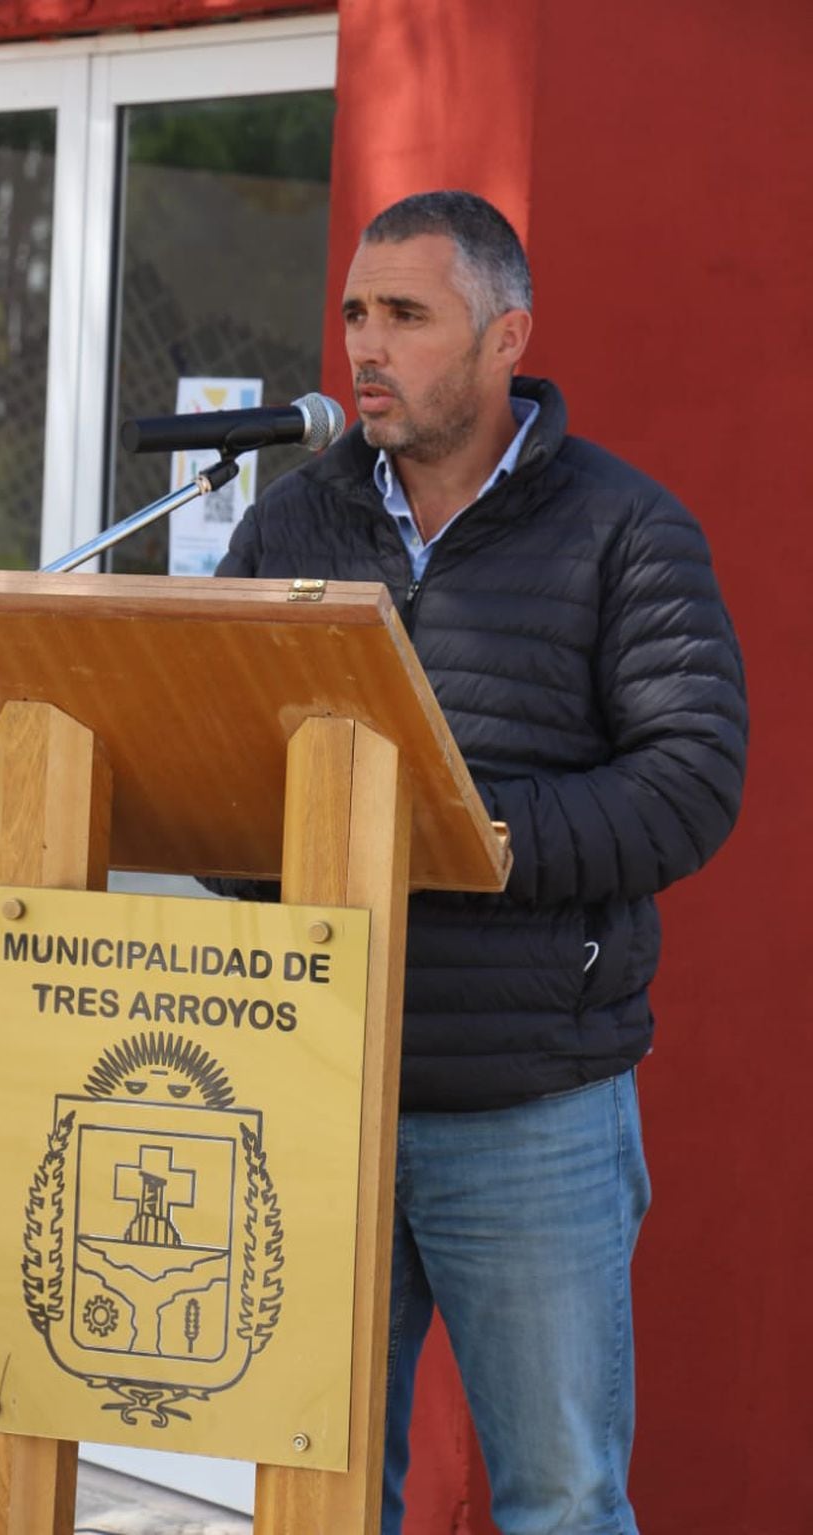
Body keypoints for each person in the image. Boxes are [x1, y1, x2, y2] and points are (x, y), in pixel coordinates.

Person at [214, 191, 748, 1534]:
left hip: (529, 1108)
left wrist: (479, 838)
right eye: (354, 313)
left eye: (407, 315)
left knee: (561, 1501)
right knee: (318, 1496)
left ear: (508, 335)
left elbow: (691, 784)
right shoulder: (290, 529)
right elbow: (217, 761)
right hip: (314, 1083)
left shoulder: (625, 531)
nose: (367, 347)